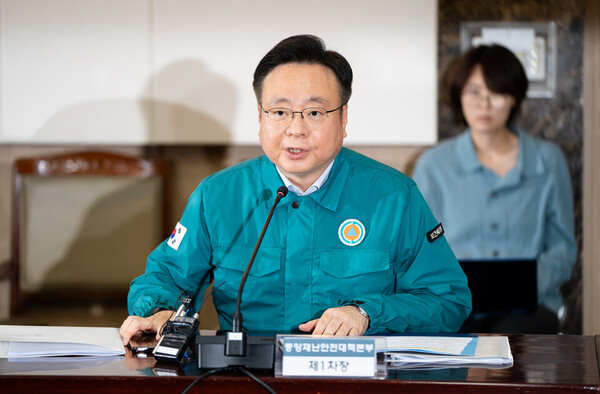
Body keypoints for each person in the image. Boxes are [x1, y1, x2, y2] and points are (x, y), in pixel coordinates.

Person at [120, 35, 471, 346]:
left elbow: (447, 300)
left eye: (315, 112)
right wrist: (161, 311)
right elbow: (166, 275)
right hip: (245, 378)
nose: (296, 129)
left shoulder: (395, 196)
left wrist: (367, 313)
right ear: (260, 117)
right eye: (280, 111)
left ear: (343, 118)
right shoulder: (218, 195)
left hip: (356, 381)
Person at [412, 44, 577, 334]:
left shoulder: (548, 160)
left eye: (496, 92)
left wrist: (525, 285)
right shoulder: (433, 165)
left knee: (513, 343)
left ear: (514, 97)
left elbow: (563, 248)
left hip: (531, 306)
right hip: (455, 302)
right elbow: (420, 245)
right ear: (459, 95)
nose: (484, 104)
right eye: (474, 91)